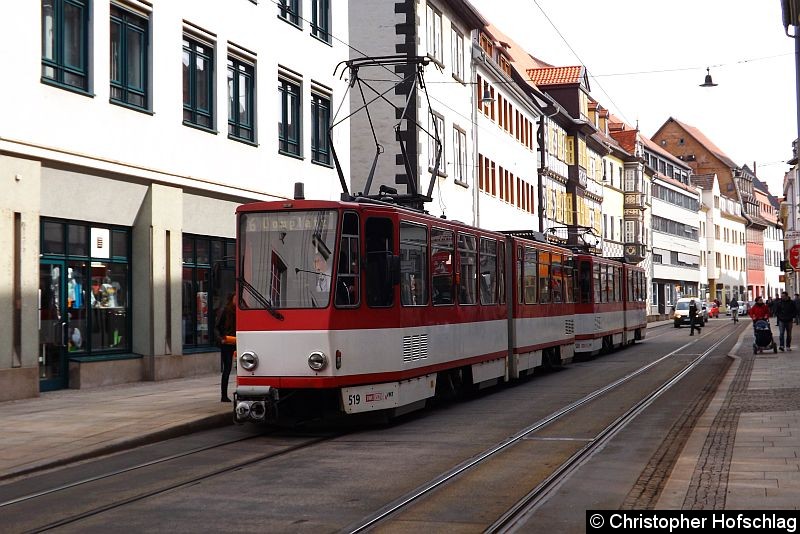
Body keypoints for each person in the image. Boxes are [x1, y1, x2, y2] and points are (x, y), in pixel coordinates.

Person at [215, 293, 236, 402]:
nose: (237, 300)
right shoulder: (225, 311)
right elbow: (217, 328)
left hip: (238, 342)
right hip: (227, 343)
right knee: (227, 368)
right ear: (231, 298)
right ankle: (224, 395)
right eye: (235, 297)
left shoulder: (242, 310)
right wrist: (221, 339)